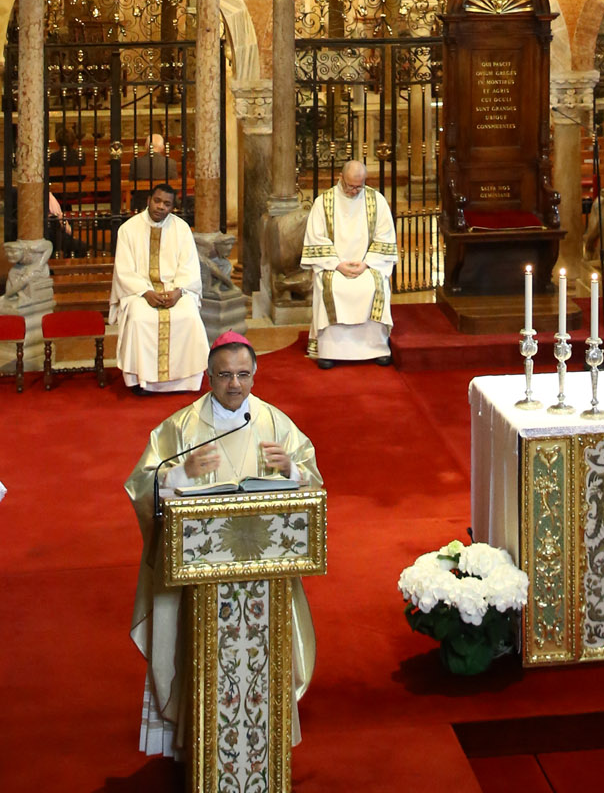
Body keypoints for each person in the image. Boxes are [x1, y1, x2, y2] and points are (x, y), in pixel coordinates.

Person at [124, 333, 318, 758]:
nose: (235, 385)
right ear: (209, 377)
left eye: (243, 375)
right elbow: (142, 484)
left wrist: (293, 469)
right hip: (201, 581)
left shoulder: (274, 423)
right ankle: (199, 745)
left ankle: (262, 744)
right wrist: (179, 473)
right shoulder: (182, 427)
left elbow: (313, 485)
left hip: (262, 578)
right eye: (225, 375)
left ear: (255, 375)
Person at [110, 181, 208, 395]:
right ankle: (141, 380)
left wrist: (178, 292)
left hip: (174, 290)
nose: (160, 207)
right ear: (149, 200)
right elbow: (124, 270)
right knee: (139, 319)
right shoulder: (128, 229)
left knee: (189, 316)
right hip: (140, 291)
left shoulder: (181, 229)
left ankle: (185, 380)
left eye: (167, 204)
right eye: (157, 201)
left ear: (173, 207)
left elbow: (190, 267)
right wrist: (145, 292)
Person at [300, 158, 398, 365]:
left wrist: (367, 263)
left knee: (373, 283)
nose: (354, 191)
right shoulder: (323, 202)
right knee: (333, 285)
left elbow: (385, 237)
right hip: (334, 267)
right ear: (340, 178)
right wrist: (337, 264)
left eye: (358, 187)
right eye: (350, 186)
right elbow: (316, 237)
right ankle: (330, 350)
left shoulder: (377, 201)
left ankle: (376, 348)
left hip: (366, 265)